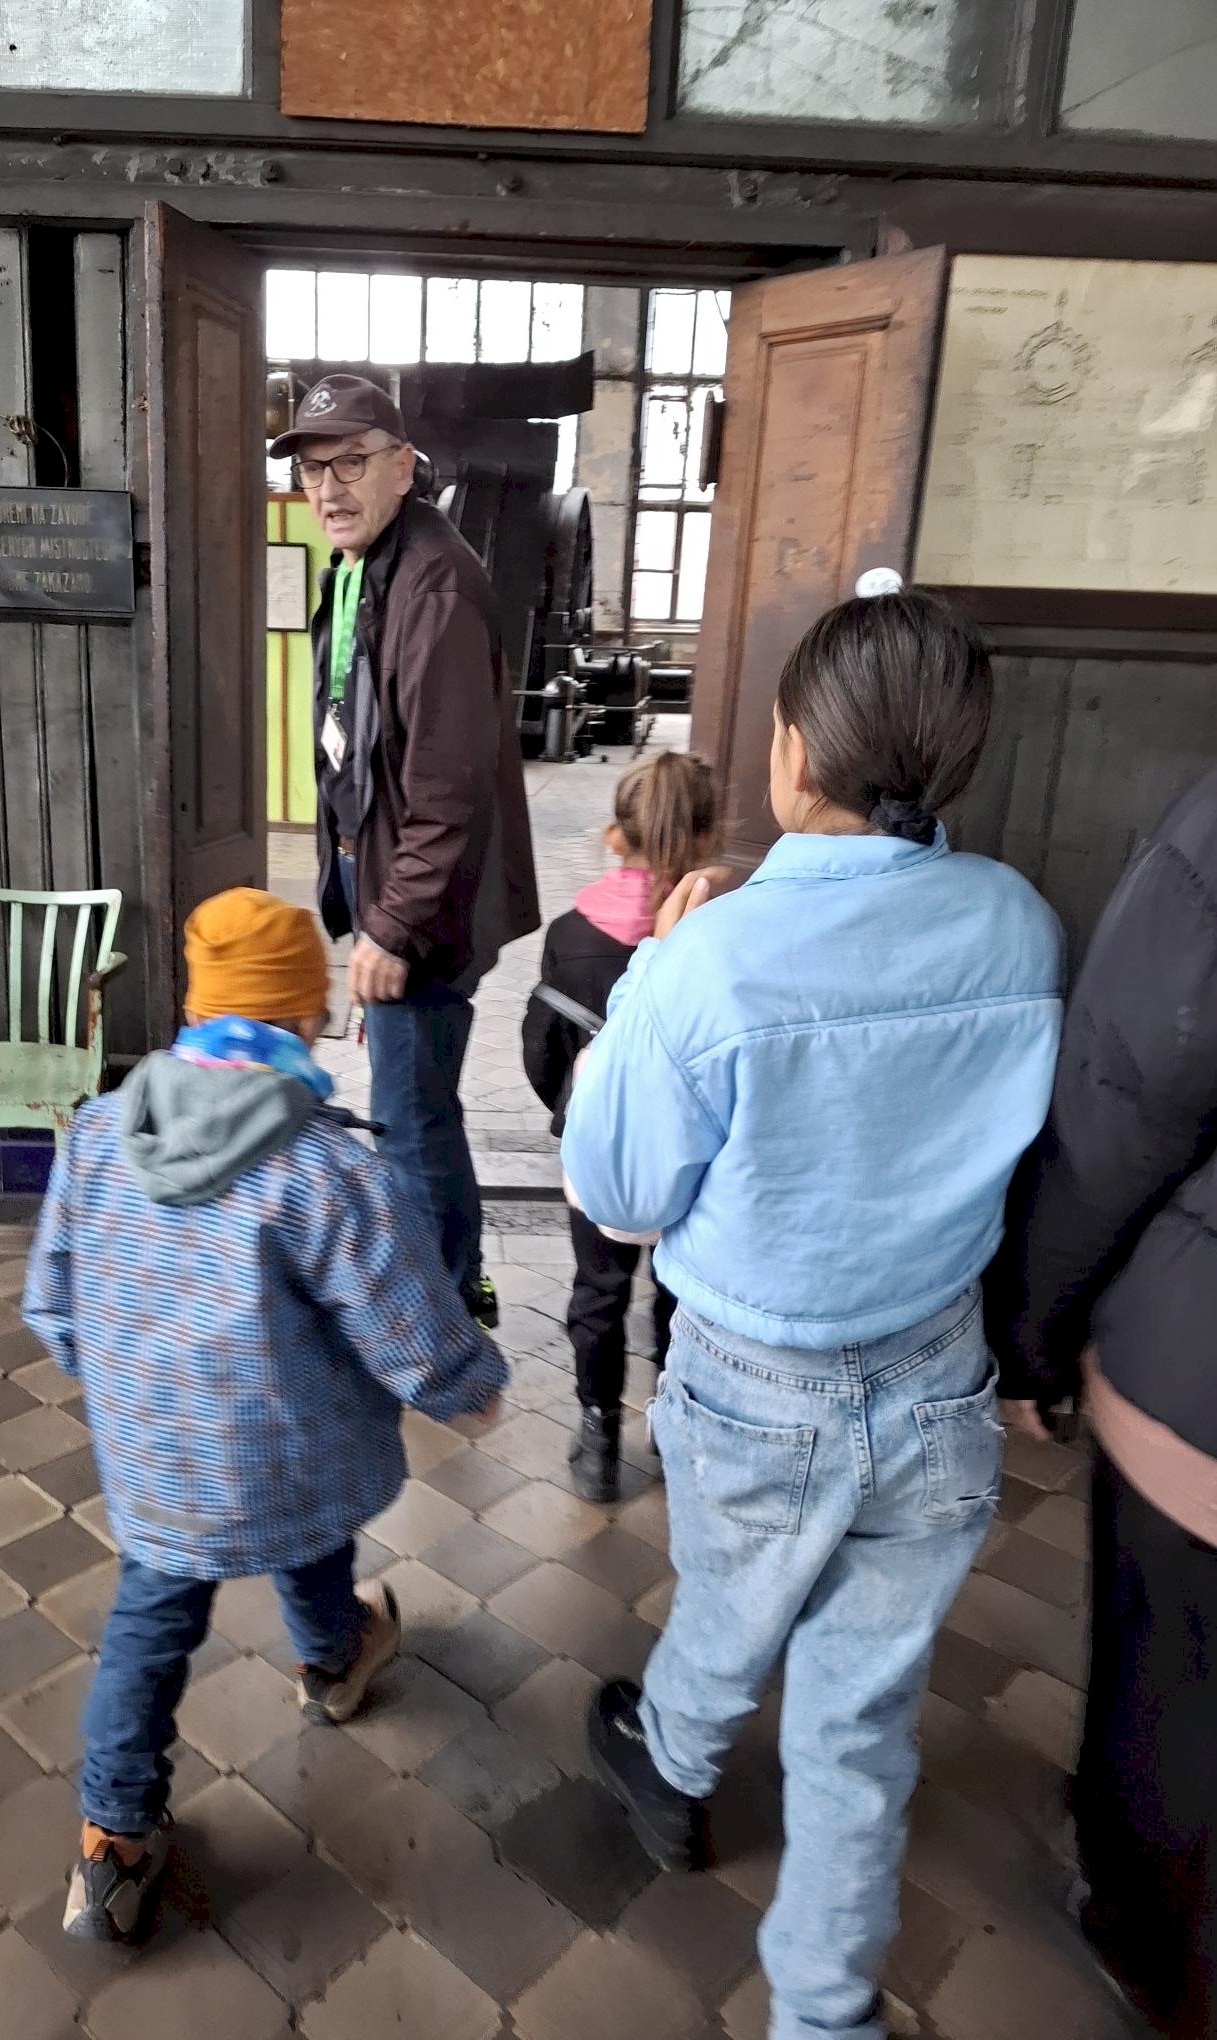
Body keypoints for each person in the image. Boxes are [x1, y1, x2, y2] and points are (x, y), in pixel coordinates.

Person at [562, 590, 1065, 2040]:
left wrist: (656, 971)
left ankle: (671, 1764)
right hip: (936, 1370)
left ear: (791, 752)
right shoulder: (1020, 927)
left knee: (732, 1601)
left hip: (753, 1381)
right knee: (862, 1717)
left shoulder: (708, 960)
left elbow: (619, 1194)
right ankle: (825, 2018)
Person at [22, 887, 506, 1945]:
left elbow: (52, 1302)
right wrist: (469, 1388)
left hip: (160, 1467)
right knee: (312, 1533)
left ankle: (113, 1844)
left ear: (195, 1009)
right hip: (295, 1451)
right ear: (303, 1018)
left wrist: (127, 1391)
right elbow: (404, 1319)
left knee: (150, 1625)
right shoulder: (327, 1168)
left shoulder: (99, 1134)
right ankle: (333, 1657)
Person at [987, 768, 1217, 2039]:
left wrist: (1031, 1337)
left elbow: (1126, 1104)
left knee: (1170, 1682)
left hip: (1199, 1387)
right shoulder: (1005, 923)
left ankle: (1148, 1944)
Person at [269, 374, 540, 1331]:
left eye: (350, 463)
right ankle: (450, 1278)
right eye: (312, 470)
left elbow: (447, 790)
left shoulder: (435, 585)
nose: (328, 489)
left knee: (411, 1115)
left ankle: (441, 1307)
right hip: (382, 875)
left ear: (402, 466)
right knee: (414, 1098)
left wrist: (389, 926)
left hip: (423, 902)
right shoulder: (361, 567)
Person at [521, 750, 725, 1502]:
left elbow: (541, 1045)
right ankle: (674, 1429)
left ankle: (598, 1436)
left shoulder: (571, 933)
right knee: (683, 1293)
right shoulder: (721, 933)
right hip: (701, 1161)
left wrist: (572, 1113)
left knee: (598, 1289)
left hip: (602, 1154)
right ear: (706, 837)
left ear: (616, 835)